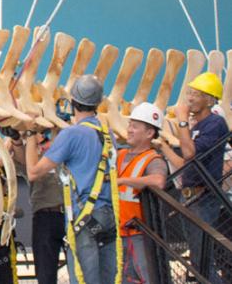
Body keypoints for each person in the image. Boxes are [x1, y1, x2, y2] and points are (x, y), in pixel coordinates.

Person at [25, 74, 121, 284]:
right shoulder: (107, 135)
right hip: (107, 216)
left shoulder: (72, 135)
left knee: (84, 278)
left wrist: (31, 133)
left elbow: (33, 172)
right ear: (97, 103)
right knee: (106, 278)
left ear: (73, 102)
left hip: (84, 218)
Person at [159, 72, 229, 279]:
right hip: (189, 197)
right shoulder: (197, 127)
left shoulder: (215, 124)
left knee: (203, 262)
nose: (189, 98)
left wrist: (181, 122)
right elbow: (184, 163)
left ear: (209, 99)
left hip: (203, 198)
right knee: (198, 261)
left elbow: (189, 153)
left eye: (196, 94)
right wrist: (163, 148)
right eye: (189, 93)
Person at [2, 126, 65, 284]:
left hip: (71, 215)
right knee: (45, 272)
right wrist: (16, 139)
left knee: (80, 268)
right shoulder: (32, 158)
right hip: (46, 217)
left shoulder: (62, 149)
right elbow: (22, 161)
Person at [117, 102, 168, 283]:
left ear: (149, 133)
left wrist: (123, 181)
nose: (129, 129)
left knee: (148, 278)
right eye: (130, 125)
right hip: (118, 232)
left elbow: (158, 180)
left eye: (135, 126)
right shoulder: (120, 155)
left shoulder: (153, 159)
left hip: (138, 234)